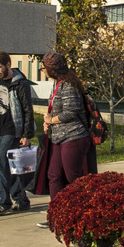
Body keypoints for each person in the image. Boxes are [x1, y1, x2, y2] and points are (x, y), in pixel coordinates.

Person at [35, 51, 93, 227]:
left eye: (43, 67)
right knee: (53, 175)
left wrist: (51, 120)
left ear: (52, 69)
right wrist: (49, 121)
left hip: (74, 137)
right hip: (60, 137)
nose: (42, 70)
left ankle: (84, 214)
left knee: (72, 176)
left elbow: (70, 112)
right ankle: (56, 215)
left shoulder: (68, 85)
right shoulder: (58, 84)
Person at [0, 51, 35, 216]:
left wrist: (27, 134)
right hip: (0, 131)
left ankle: (4, 201)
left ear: (8, 64)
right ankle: (21, 200)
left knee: (0, 162)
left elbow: (28, 110)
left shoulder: (20, 84)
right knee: (14, 167)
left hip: (13, 130)